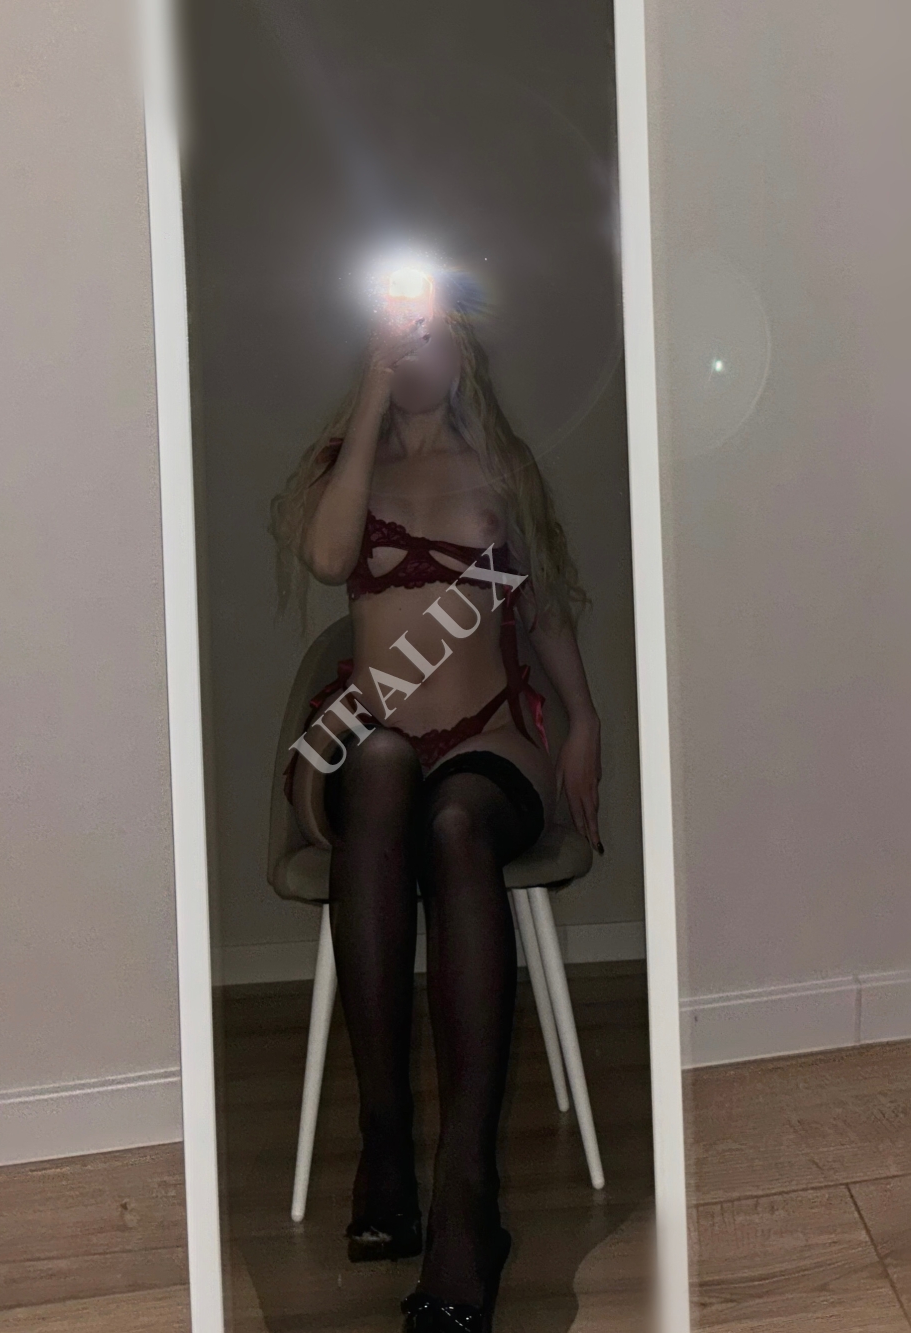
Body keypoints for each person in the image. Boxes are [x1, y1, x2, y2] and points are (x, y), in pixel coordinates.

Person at [270, 280, 602, 1332]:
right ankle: (385, 1139)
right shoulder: (346, 467)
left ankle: (465, 1194)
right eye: (397, 337)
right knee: (378, 766)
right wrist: (370, 391)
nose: (417, 351)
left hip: (490, 740)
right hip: (370, 745)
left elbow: (543, 609)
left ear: (463, 355)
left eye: (433, 335)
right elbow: (329, 558)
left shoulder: (502, 466)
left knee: (456, 822)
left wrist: (584, 722)